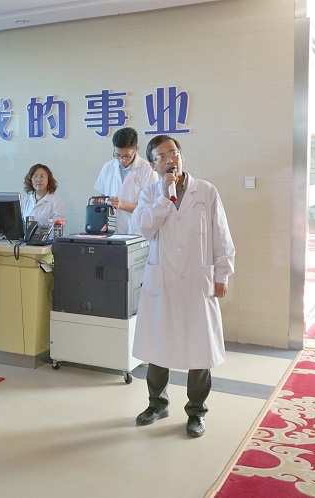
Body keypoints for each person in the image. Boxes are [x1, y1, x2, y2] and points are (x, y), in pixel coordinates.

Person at [130, 134, 235, 438]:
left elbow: (221, 235)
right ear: (153, 165)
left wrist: (222, 274)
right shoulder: (150, 193)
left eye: (173, 153)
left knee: (199, 349)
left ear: (182, 156)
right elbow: (144, 228)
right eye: (161, 157)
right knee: (158, 346)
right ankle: (157, 404)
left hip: (196, 281)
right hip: (162, 281)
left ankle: (196, 412)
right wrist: (165, 197)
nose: (169, 160)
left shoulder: (206, 191)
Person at [94, 127, 158, 234]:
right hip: (111, 230)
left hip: (136, 231)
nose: (122, 160)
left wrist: (121, 205)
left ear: (136, 149)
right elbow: (103, 197)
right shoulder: (108, 167)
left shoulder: (148, 170)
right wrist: (100, 202)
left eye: (127, 156)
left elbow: (150, 208)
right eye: (117, 155)